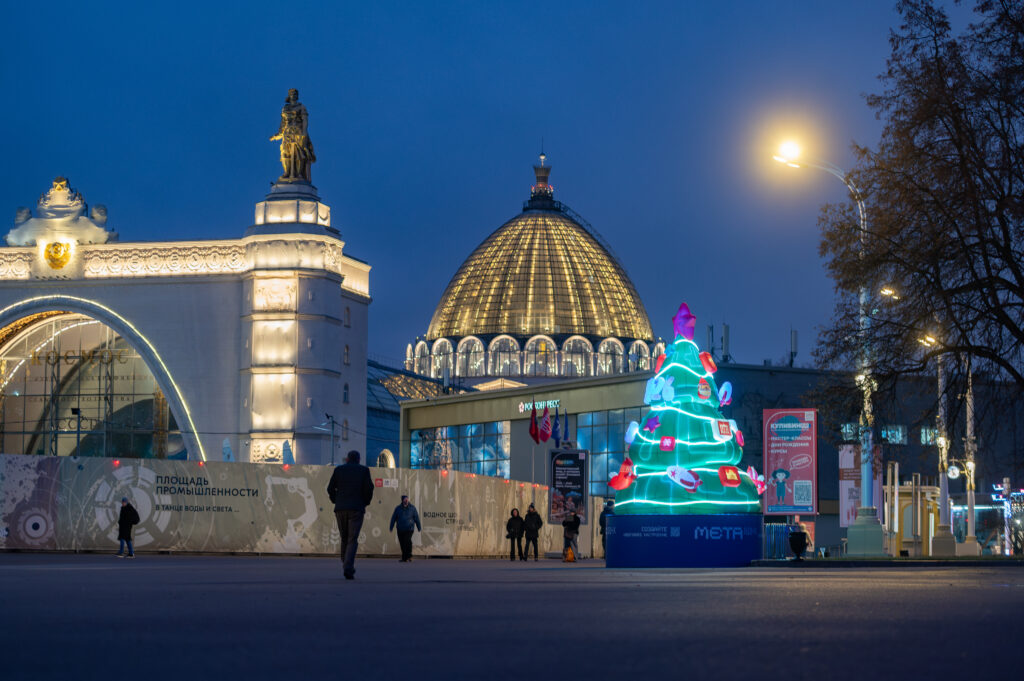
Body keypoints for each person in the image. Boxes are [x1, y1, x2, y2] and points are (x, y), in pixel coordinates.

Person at [327, 450, 374, 580]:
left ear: (347, 459)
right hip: (356, 509)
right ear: (358, 460)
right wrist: (365, 502)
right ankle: (348, 567)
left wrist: (336, 500)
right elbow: (369, 489)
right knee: (352, 539)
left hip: (340, 508)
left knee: (344, 538)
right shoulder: (364, 471)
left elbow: (330, 488)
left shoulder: (339, 470)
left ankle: (345, 562)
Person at [389, 495, 421, 562]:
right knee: (402, 543)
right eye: (405, 499)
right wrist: (391, 527)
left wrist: (419, 527)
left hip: (409, 528)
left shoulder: (412, 508)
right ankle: (404, 558)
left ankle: (409, 556)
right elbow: (393, 518)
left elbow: (416, 518)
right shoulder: (398, 508)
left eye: (407, 499)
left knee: (407, 541)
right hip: (400, 529)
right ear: (402, 500)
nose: (406, 500)